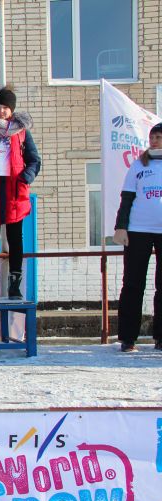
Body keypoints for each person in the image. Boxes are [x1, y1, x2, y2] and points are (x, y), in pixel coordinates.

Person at [0, 86, 41, 301]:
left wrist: (25, 178)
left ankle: (15, 287)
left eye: (5, 107)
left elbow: (34, 160)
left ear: (12, 110)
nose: (1, 111)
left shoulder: (21, 132)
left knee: (15, 240)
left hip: (14, 194)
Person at [113, 122, 162, 353]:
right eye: (152, 137)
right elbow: (127, 198)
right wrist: (121, 227)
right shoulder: (138, 165)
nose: (154, 141)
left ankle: (160, 338)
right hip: (138, 230)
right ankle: (128, 338)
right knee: (133, 284)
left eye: (159, 137)